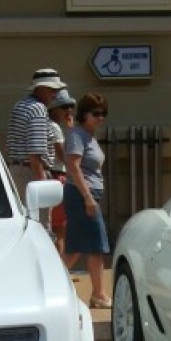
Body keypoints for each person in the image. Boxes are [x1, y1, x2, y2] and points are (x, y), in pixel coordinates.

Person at [62, 93, 111, 308]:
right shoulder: (78, 136)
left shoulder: (85, 135)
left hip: (87, 196)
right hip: (81, 196)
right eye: (96, 113)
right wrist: (88, 197)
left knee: (75, 248)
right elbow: (73, 166)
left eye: (104, 114)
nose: (101, 118)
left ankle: (50, 281)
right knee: (97, 246)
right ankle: (99, 295)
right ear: (85, 114)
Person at [7, 68, 65, 195]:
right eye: (52, 89)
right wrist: (42, 183)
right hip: (31, 173)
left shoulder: (21, 104)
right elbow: (35, 152)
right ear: (40, 88)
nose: (55, 94)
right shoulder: (38, 108)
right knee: (39, 214)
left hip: (17, 171)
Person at [47, 88, 76, 256]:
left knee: (53, 227)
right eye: (64, 107)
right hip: (58, 177)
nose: (69, 111)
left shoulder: (47, 125)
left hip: (50, 176)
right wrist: (71, 130)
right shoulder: (55, 128)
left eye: (70, 106)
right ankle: (62, 269)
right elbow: (64, 156)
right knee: (60, 230)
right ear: (54, 109)